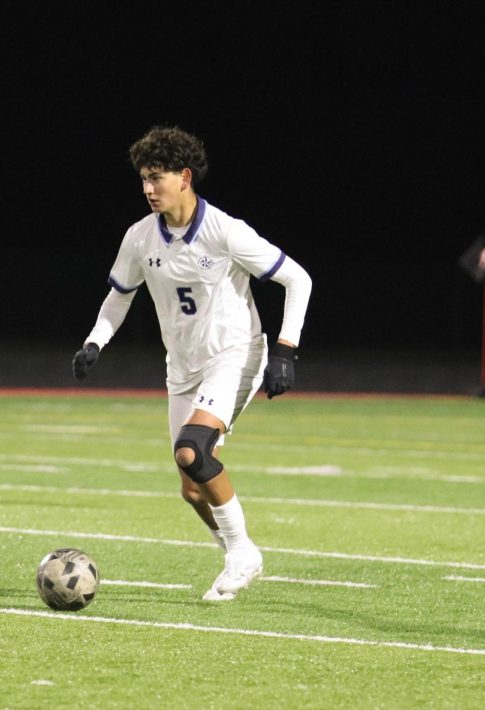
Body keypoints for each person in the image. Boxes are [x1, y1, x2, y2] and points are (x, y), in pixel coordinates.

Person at [73, 126, 312, 602]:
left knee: (193, 451)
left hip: (235, 354)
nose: (147, 188)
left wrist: (285, 350)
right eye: (142, 179)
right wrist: (95, 341)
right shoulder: (140, 237)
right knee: (191, 487)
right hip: (182, 368)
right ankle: (236, 549)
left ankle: (242, 552)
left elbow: (298, 279)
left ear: (184, 177)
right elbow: (118, 297)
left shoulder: (225, 230)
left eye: (156, 178)